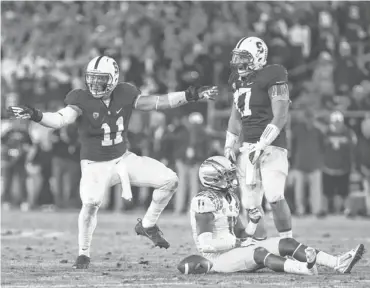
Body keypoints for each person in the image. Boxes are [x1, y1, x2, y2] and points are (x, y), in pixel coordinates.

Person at [7, 56, 218, 269]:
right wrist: (36, 115)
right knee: (90, 204)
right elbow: (61, 119)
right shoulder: (81, 99)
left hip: (122, 160)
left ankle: (147, 224)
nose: (95, 84)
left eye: (101, 80)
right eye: (92, 79)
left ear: (114, 78)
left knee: (170, 180)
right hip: (94, 165)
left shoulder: (125, 93)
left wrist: (189, 95)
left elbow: (156, 102)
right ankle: (83, 253)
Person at [189, 156, 365, 274]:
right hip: (217, 259)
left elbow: (242, 234)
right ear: (213, 179)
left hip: (235, 249)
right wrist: (239, 242)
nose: (231, 179)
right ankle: (303, 268)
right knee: (259, 251)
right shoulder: (204, 201)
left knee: (286, 242)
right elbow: (207, 245)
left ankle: (338, 263)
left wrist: (252, 222)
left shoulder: (230, 198)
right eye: (226, 176)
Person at [224, 36, 293, 239]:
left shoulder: (274, 74)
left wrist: (262, 143)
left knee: (274, 196)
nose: (238, 63)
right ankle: (259, 245)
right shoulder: (237, 81)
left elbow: (280, 114)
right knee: (250, 204)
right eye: (236, 58)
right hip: (247, 147)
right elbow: (235, 115)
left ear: (258, 57)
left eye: (244, 58)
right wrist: (229, 145)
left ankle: (287, 243)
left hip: (272, 145)